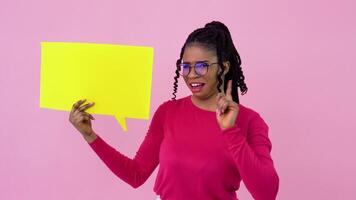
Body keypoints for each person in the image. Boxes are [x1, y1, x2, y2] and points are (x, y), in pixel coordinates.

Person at [69, 21, 279, 200]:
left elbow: (267, 193)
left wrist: (230, 131)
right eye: (186, 66)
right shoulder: (168, 112)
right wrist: (89, 135)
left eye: (201, 66)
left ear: (223, 67)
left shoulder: (250, 121)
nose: (191, 75)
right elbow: (136, 174)